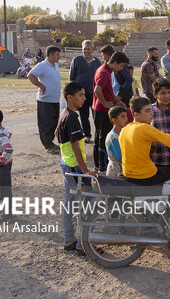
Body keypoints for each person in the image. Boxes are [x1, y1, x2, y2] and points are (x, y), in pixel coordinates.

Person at [56, 81, 98, 254]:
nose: (84, 98)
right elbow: (75, 146)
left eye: (84, 95)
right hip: (74, 168)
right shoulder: (72, 117)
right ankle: (82, 242)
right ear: (69, 97)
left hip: (66, 164)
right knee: (87, 202)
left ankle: (69, 239)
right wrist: (86, 171)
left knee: (70, 202)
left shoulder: (64, 113)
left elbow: (57, 133)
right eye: (80, 95)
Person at [93, 52, 128, 172]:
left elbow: (109, 91)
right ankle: (101, 165)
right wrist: (105, 103)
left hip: (101, 108)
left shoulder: (106, 70)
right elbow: (97, 90)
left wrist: (118, 101)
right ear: (115, 63)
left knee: (99, 136)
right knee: (103, 138)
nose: (121, 69)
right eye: (121, 66)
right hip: (102, 109)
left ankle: (98, 163)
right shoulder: (104, 72)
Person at [28, 45, 62, 154]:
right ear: (51, 55)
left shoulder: (55, 65)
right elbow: (31, 75)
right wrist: (41, 86)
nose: (59, 56)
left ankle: (50, 142)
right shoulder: (42, 65)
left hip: (54, 100)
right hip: (45, 100)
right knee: (45, 124)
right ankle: (47, 145)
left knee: (53, 122)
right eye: (57, 54)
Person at [69, 40, 101, 142]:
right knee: (83, 115)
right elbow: (72, 77)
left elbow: (100, 77)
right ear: (82, 49)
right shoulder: (76, 60)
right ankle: (87, 135)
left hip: (93, 93)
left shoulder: (97, 62)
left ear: (92, 49)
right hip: (80, 94)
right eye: (84, 49)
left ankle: (99, 135)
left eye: (88, 49)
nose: (86, 51)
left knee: (97, 114)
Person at [105, 106, 128, 178]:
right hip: (115, 173)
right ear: (114, 120)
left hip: (124, 172)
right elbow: (120, 156)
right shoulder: (112, 137)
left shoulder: (124, 132)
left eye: (126, 116)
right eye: (123, 117)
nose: (126, 119)